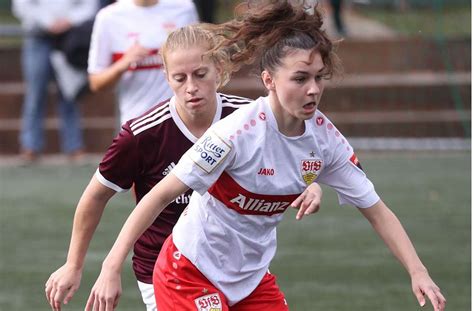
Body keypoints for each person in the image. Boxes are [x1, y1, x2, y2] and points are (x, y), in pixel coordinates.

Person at [83, 2, 446, 311]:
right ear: (269, 80)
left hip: (251, 279)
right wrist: (111, 266)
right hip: (188, 272)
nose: (313, 89)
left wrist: (417, 270)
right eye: (300, 78)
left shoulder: (326, 141)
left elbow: (377, 210)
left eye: (319, 78)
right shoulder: (234, 133)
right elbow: (159, 195)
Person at [45, 24, 323, 311]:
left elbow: (291, 153)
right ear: (166, 78)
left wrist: (310, 184)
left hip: (240, 268)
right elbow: (95, 196)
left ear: (219, 69)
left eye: (200, 74)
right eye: (179, 78)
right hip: (168, 271)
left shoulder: (250, 119)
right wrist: (74, 265)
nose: (191, 87)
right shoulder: (143, 135)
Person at [87, 0, 199, 126]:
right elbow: (95, 82)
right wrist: (123, 63)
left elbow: (201, 60)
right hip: (137, 125)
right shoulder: (108, 16)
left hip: (183, 122)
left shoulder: (184, 8)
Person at [12, 0, 98, 162]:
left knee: (70, 93)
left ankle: (74, 147)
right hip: (37, 36)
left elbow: (89, 5)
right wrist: (48, 22)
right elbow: (21, 5)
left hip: (70, 38)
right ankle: (30, 146)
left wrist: (69, 20)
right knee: (35, 94)